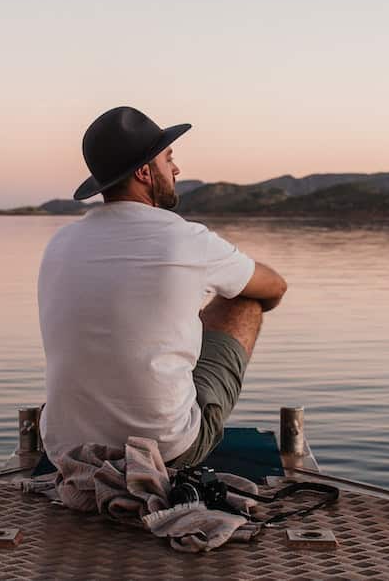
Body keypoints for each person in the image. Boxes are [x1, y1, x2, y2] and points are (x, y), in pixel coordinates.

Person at [38, 106, 288, 467]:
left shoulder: (59, 244)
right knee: (244, 302)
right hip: (165, 449)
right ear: (144, 172)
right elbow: (275, 287)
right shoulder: (184, 238)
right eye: (168, 159)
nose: (176, 169)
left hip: (68, 448)